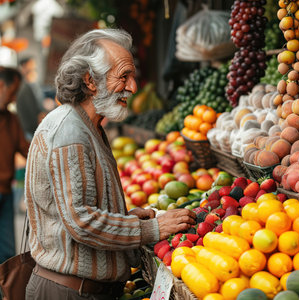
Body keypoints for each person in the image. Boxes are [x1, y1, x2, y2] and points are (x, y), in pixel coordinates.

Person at [24, 29, 196, 300]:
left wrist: (125, 218)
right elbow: (81, 221)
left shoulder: (86, 125)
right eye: (124, 76)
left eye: (133, 76)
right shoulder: (70, 133)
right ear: (90, 81)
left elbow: (75, 210)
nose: (133, 87)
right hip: (69, 293)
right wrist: (152, 229)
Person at [0, 67, 30, 264]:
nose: (13, 99)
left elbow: (26, 149)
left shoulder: (11, 119)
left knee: (7, 254)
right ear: (1, 86)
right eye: (12, 93)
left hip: (6, 194)